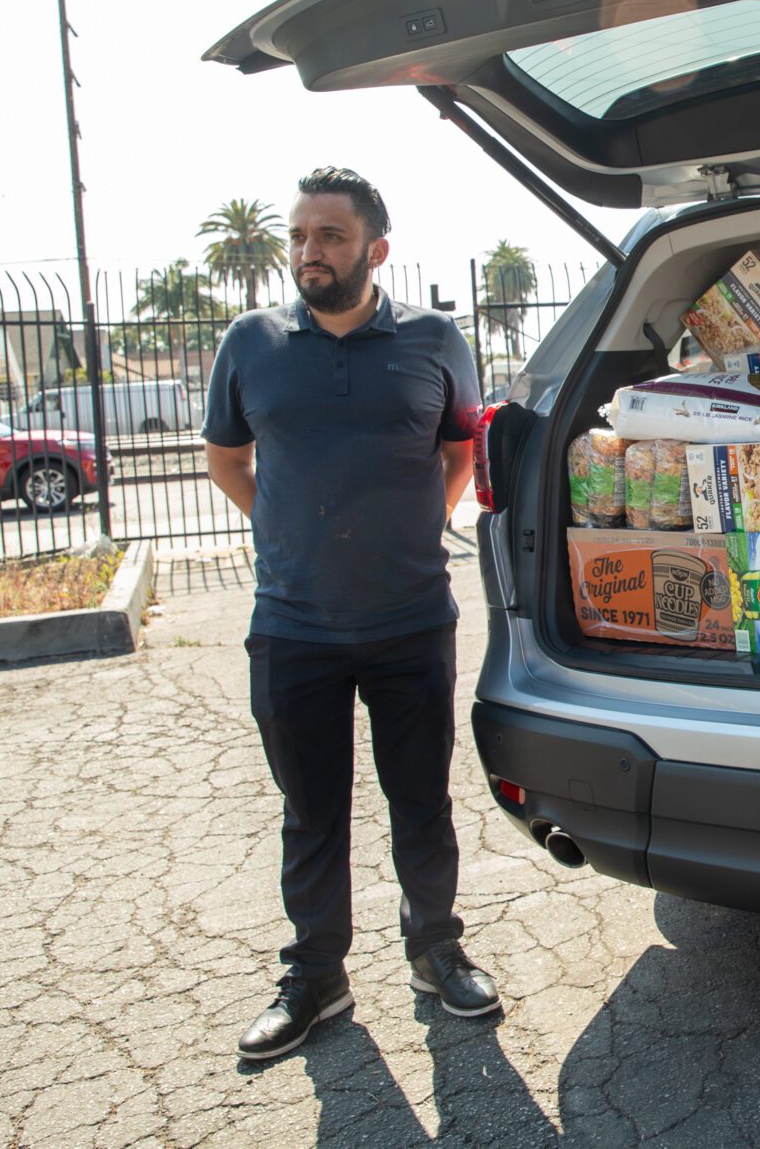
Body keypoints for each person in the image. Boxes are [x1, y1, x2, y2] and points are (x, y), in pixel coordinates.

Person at [204, 165, 496, 1062]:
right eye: (299, 235)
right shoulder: (250, 342)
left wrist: (414, 526)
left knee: (422, 798)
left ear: (375, 248)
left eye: (328, 236)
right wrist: (290, 532)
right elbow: (227, 460)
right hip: (293, 624)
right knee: (312, 808)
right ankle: (315, 976)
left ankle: (434, 948)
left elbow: (459, 450)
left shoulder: (435, 339)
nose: (308, 251)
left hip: (411, 616)